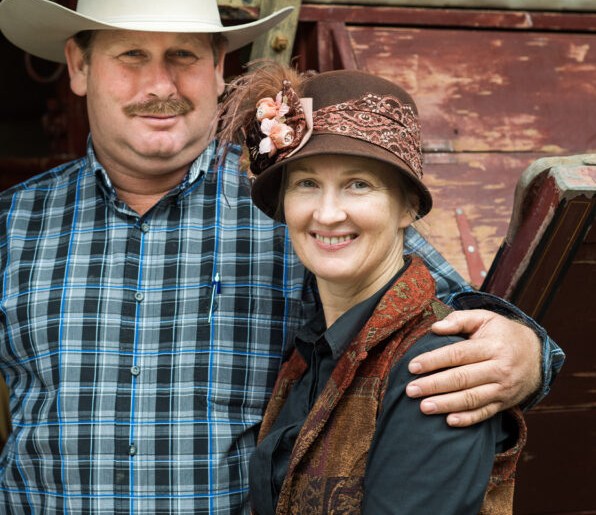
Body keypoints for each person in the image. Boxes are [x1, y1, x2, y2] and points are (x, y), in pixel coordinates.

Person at [0, 0, 562, 514]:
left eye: (183, 56)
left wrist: (528, 353)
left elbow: (437, 311)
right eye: (130, 55)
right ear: (78, 65)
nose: (159, 85)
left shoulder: (297, 211)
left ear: (220, 65)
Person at [218, 63, 525, 514]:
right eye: (307, 184)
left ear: (407, 208)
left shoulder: (433, 368)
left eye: (357, 185)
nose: (326, 213)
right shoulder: (314, 350)